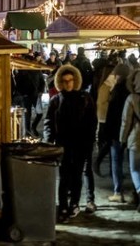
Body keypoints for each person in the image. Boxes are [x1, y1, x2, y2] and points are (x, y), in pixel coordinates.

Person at [44, 64, 98, 222]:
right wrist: (49, 142)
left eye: (71, 80)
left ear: (75, 81)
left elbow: (91, 122)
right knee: (64, 177)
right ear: (61, 81)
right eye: (65, 80)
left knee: (77, 176)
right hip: (63, 144)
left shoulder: (85, 98)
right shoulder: (56, 100)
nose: (68, 83)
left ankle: (74, 203)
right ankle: (63, 207)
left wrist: (90, 141)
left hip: (81, 144)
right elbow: (48, 122)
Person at [98, 63, 131, 202]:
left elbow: (111, 114)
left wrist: (107, 133)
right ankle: (134, 192)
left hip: (116, 132)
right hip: (130, 133)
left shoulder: (116, 91)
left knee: (116, 161)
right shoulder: (131, 91)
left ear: (118, 76)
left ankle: (118, 192)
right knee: (130, 162)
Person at [120, 68, 140, 212]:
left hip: (136, 137)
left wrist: (122, 139)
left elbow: (126, 121)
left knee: (134, 169)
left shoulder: (132, 98)